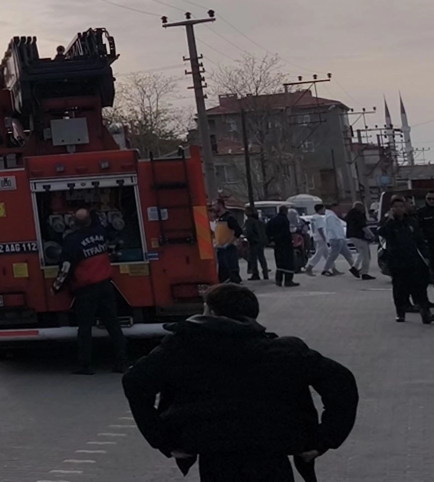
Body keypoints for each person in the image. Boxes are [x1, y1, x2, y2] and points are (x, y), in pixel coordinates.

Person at [122, 282, 358, 482]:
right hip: (272, 453)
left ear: (212, 313)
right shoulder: (285, 351)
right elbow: (342, 383)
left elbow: (135, 382)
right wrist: (324, 438)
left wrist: (163, 439)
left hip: (213, 454)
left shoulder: (181, 349)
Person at [54, 206, 125, 375]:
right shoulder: (100, 232)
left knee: (85, 328)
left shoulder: (72, 241)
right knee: (113, 325)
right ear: (90, 220)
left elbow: (66, 267)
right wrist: (93, 210)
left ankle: (85, 366)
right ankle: (121, 363)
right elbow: (101, 225)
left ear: (73, 223)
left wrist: (56, 287)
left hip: (86, 291)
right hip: (106, 287)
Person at [378, 195, 432, 323]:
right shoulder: (388, 223)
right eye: (395, 207)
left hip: (413, 260)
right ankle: (400, 312)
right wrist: (390, 220)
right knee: (399, 289)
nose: (399, 209)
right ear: (391, 208)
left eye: (401, 206)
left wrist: (426, 256)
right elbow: (382, 233)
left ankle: (425, 313)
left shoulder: (411, 221)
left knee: (420, 287)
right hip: (397, 261)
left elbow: (419, 240)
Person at [316, 204, 354, 277]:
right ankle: (325, 269)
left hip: (339, 238)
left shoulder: (331, 215)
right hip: (336, 238)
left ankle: (354, 267)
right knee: (333, 255)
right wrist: (338, 237)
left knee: (347, 254)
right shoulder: (331, 216)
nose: (339, 209)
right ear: (333, 208)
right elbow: (332, 228)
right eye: (337, 208)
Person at [343, 201, 375, 280]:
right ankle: (364, 273)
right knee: (366, 255)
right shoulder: (358, 215)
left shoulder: (350, 215)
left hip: (352, 236)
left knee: (361, 253)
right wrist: (372, 235)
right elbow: (364, 227)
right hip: (359, 237)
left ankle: (355, 267)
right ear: (359, 207)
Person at [267, 206, 297, 288]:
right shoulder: (285, 220)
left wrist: (271, 239)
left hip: (277, 244)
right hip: (285, 244)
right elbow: (285, 232)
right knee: (288, 262)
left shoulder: (273, 219)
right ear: (285, 211)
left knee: (279, 262)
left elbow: (267, 230)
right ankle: (288, 280)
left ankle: (278, 280)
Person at [212, 204, 242, 285]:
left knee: (231, 267)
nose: (213, 207)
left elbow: (238, 231)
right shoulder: (219, 219)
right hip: (220, 247)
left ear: (220, 205)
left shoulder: (229, 218)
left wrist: (229, 243)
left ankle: (234, 283)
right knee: (223, 269)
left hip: (229, 247)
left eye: (215, 204)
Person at [242, 207, 269, 281]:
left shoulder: (249, 222)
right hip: (260, 241)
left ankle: (255, 273)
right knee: (261, 257)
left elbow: (249, 232)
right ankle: (265, 273)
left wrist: (247, 237)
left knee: (253, 258)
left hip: (254, 242)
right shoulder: (259, 221)